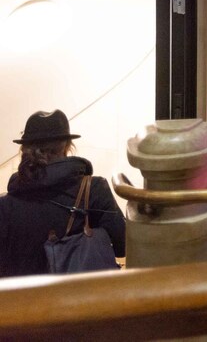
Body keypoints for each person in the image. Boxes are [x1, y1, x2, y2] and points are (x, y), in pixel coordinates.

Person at [0, 109, 126, 277]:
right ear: (67, 146)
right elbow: (123, 245)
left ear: (24, 149)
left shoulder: (5, 205)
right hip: (78, 299)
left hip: (23, 301)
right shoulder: (94, 190)